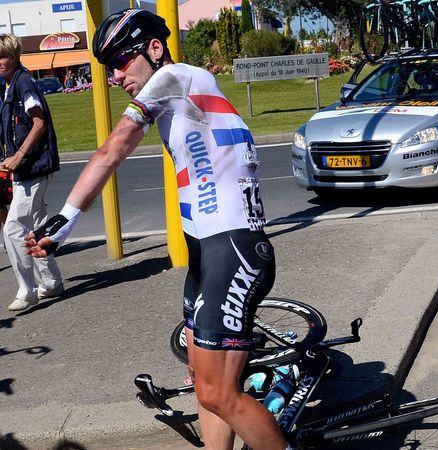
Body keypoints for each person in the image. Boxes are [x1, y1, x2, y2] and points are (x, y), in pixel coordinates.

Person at [25, 10, 291, 450]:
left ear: (154, 48)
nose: (114, 76)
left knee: (219, 393)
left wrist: (65, 219)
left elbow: (113, 148)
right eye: (108, 68)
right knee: (201, 380)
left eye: (120, 61)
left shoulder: (176, 77)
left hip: (232, 247)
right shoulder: (184, 94)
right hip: (205, 252)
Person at [0, 33, 64, 311]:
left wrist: (19, 155)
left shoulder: (23, 83)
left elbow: (39, 123)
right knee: (35, 225)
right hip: (27, 168)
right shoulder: (8, 84)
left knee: (13, 227)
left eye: (4, 56)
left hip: (33, 167)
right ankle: (51, 282)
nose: (0, 61)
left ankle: (28, 290)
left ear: (15, 57)